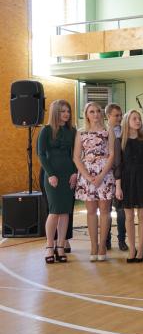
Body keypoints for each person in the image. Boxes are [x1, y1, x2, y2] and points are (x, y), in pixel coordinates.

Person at [73, 102, 116, 261]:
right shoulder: (81, 132)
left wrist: (101, 175)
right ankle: (93, 246)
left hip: (105, 174)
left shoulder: (108, 131)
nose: (96, 114)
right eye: (92, 111)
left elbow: (112, 154)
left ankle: (102, 245)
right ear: (86, 114)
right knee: (91, 211)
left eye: (98, 111)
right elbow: (76, 157)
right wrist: (87, 176)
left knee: (105, 210)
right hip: (87, 175)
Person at [37, 100, 77, 263]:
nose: (66, 114)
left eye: (68, 111)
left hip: (69, 174)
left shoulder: (72, 131)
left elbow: (76, 154)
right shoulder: (46, 130)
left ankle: (60, 246)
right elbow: (41, 154)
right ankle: (49, 246)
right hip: (52, 175)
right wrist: (51, 174)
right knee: (54, 211)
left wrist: (75, 172)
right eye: (62, 111)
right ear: (55, 112)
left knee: (65, 212)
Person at [114, 110, 143, 263]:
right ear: (127, 121)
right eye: (134, 118)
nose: (138, 121)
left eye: (139, 118)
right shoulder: (119, 141)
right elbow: (117, 165)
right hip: (126, 181)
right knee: (129, 217)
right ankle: (132, 248)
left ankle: (140, 248)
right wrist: (118, 187)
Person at [105, 103, 127, 252]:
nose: (119, 118)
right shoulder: (103, 131)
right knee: (105, 209)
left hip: (121, 174)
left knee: (121, 209)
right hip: (106, 174)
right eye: (116, 115)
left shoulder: (125, 131)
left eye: (121, 115)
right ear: (108, 116)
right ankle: (106, 239)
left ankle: (122, 240)